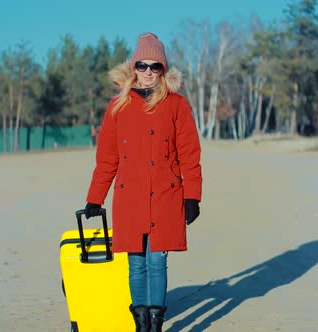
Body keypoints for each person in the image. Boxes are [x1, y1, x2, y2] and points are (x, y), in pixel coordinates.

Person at [84, 32, 202, 332]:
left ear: (163, 70)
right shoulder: (117, 107)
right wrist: (95, 199)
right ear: (133, 67)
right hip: (130, 197)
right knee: (135, 263)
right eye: (142, 65)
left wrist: (193, 196)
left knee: (157, 260)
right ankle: (140, 325)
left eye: (155, 66)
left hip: (166, 195)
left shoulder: (176, 105)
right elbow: (107, 159)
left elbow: (189, 154)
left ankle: (156, 323)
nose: (148, 72)